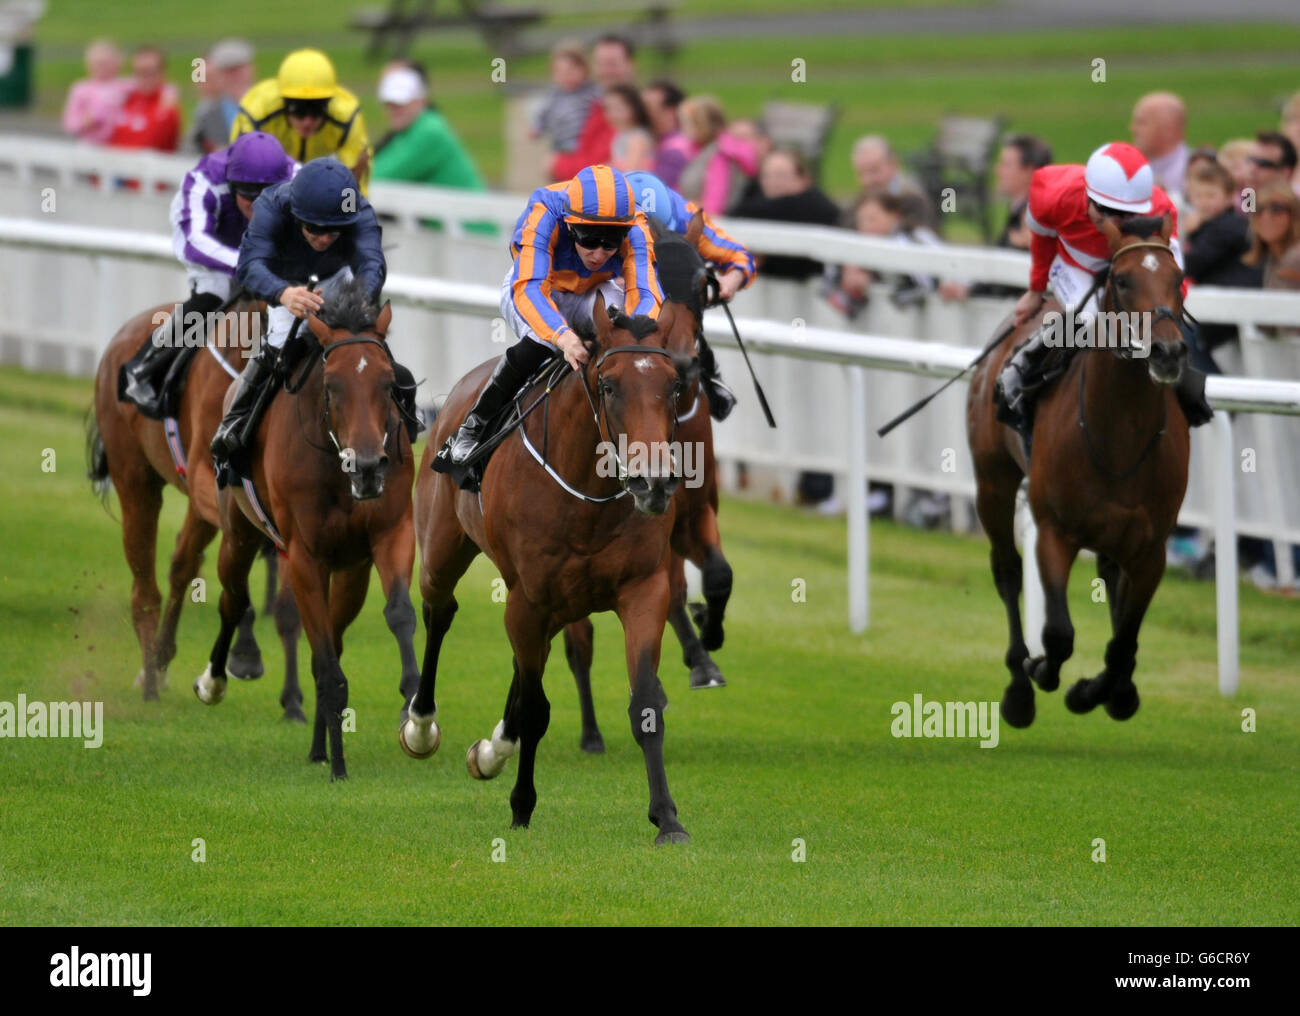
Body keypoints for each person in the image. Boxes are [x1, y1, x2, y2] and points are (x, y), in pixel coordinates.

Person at [431, 165, 663, 488]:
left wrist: (632, 337)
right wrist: (563, 336)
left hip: (592, 293)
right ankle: (472, 427)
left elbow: (647, 294)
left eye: (610, 243)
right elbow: (529, 289)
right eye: (589, 239)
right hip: (536, 289)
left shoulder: (636, 225)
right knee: (544, 343)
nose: (598, 253)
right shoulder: (545, 210)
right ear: (570, 225)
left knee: (622, 333)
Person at [994, 141, 1212, 434]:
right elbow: (1044, 239)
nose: (1114, 222)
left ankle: (1185, 384)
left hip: (1132, 261)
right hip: (1077, 262)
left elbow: (1173, 281)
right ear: (1087, 196)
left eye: (1125, 214)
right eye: (1106, 210)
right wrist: (1035, 291)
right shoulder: (1053, 194)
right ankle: (1024, 364)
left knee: (1155, 320)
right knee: (1093, 322)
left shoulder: (1160, 210)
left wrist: (1161, 319)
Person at [209, 158, 403, 478]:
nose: (325, 238)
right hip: (287, 284)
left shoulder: (357, 209)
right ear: (296, 215)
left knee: (372, 356)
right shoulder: (272, 207)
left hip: (342, 283)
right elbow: (249, 265)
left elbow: (372, 265)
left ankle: (405, 421)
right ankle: (233, 429)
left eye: (334, 230)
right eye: (314, 228)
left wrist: (356, 304)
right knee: (279, 350)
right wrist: (284, 294)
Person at [120, 131, 296, 419]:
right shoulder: (205, 180)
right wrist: (250, 267)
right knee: (216, 294)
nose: (257, 203)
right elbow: (194, 241)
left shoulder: (298, 177)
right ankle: (144, 367)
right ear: (232, 183)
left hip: (269, 249)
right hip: (215, 248)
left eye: (267, 195)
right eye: (248, 194)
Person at [625, 169, 756, 419]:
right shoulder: (600, 211)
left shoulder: (684, 215)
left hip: (667, 302)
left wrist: (731, 279)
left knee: (686, 301)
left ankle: (710, 379)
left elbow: (740, 256)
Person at [230, 49, 373, 193]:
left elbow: (357, 185)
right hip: (269, 176)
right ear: (283, 102)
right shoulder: (257, 113)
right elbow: (241, 179)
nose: (307, 122)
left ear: (329, 104)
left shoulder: (347, 116)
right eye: (298, 109)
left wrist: (351, 211)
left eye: (317, 110)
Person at [1182, 160, 1261, 368]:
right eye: (1199, 196)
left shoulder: (1225, 227)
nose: (1204, 202)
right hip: (1231, 303)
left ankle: (1208, 384)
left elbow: (1192, 263)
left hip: (1234, 304)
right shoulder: (1223, 225)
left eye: (1211, 195)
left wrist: (1192, 233)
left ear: (1228, 198)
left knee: (1184, 334)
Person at [732, 146, 840, 281]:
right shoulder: (761, 206)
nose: (773, 182)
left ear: (803, 179)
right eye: (767, 176)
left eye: (780, 175)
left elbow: (739, 214)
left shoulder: (814, 204)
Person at [372, 65, 484, 188]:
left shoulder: (429, 131)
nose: (393, 110)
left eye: (400, 104)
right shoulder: (410, 130)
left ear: (421, 100)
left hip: (468, 207)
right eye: (388, 104)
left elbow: (381, 176)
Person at [550, 35, 638, 182]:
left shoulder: (640, 111)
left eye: (612, 64)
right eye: (600, 64)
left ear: (630, 65)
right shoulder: (592, 107)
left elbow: (603, 169)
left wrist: (556, 164)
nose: (606, 71)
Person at [677, 95, 758, 216]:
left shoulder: (720, 156)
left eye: (687, 124)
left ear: (701, 125)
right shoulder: (700, 152)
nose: (682, 129)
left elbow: (714, 206)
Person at [531, 41, 601, 170]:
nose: (565, 76)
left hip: (581, 145)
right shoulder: (554, 95)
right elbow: (543, 114)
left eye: (570, 71)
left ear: (584, 70)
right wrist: (537, 128)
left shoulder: (591, 92)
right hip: (559, 144)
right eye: (559, 72)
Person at [849, 134, 938, 234]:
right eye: (861, 173)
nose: (868, 180)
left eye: (874, 170)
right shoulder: (859, 204)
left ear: (893, 164)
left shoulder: (915, 200)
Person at [107, 46, 180, 152]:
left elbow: (153, 141)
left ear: (162, 73)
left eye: (149, 72)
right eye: (139, 72)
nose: (144, 78)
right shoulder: (125, 99)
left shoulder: (166, 104)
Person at [189, 39, 255, 154]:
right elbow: (191, 151)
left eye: (238, 69)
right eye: (227, 71)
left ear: (251, 69)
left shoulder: (271, 105)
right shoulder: (207, 114)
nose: (234, 77)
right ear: (219, 75)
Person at [61, 39, 129, 144]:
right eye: (97, 63)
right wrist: (85, 122)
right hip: (91, 145)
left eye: (105, 63)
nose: (101, 68)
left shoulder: (126, 86)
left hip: (119, 144)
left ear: (117, 63)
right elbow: (69, 124)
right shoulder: (81, 89)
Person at [1130, 91, 1189, 200]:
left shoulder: (1198, 173)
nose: (1133, 129)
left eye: (1142, 123)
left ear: (1168, 129)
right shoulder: (1130, 169)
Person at [643, 79, 691, 189]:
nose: (640, 112)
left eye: (647, 108)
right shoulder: (657, 141)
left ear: (671, 111)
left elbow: (654, 191)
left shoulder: (675, 150)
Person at [605, 83, 655, 174]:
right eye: (608, 108)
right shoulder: (621, 135)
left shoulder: (637, 137)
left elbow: (632, 171)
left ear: (633, 108)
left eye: (617, 108)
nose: (612, 113)